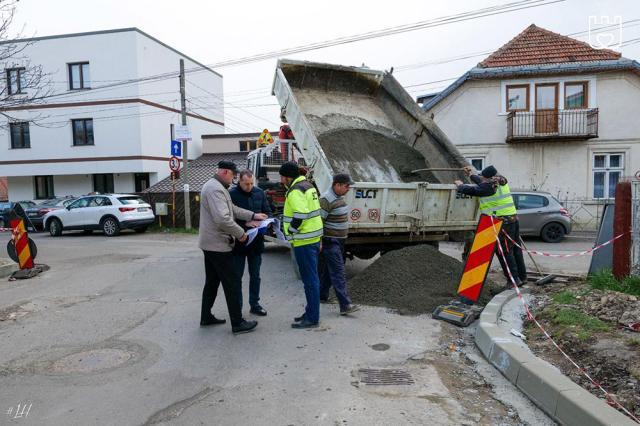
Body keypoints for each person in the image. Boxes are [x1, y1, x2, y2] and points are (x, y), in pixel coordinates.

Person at [198, 161, 268, 334]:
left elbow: (233, 209)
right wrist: (241, 234)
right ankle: (237, 323)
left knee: (212, 282)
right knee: (232, 282)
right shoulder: (215, 189)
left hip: (210, 244)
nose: (234, 178)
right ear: (225, 172)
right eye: (233, 175)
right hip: (218, 244)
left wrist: (253, 215)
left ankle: (206, 316)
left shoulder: (217, 186)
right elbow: (223, 219)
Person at [455, 165, 527, 287]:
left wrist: (460, 185)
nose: (482, 179)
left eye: (483, 177)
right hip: (512, 220)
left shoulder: (488, 188)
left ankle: (513, 280)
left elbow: (474, 190)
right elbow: (482, 182)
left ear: (488, 178)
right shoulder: (501, 181)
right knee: (515, 249)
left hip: (500, 223)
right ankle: (522, 277)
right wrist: (472, 175)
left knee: (504, 252)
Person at [279, 161, 324, 329]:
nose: (281, 180)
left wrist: (290, 230)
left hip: (303, 241)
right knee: (312, 279)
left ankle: (312, 318)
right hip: (312, 239)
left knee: (310, 280)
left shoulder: (295, 191)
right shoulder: (308, 186)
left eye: (283, 177)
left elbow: (302, 214)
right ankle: (310, 312)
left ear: (288, 177)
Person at [229, 169, 272, 316]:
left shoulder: (259, 192)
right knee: (237, 277)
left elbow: (267, 211)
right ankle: (237, 308)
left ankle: (255, 304)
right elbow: (229, 219)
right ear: (239, 181)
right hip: (239, 242)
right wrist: (245, 224)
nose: (249, 187)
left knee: (255, 276)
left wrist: (266, 222)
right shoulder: (231, 195)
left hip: (256, 241)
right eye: (246, 184)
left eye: (251, 183)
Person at [318, 173, 360, 315]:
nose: (348, 189)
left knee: (328, 272)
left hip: (339, 241)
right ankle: (345, 305)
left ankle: (321, 296)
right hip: (330, 241)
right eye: (347, 186)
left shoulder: (338, 198)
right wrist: (320, 241)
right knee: (338, 272)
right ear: (337, 185)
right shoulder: (325, 199)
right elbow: (319, 223)